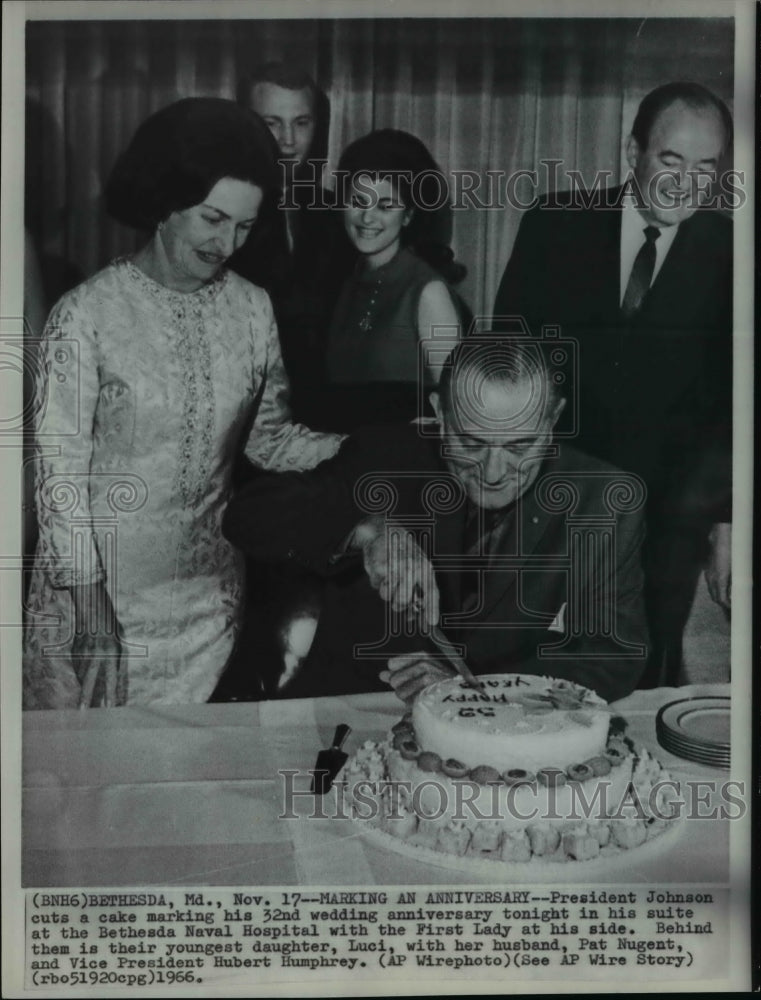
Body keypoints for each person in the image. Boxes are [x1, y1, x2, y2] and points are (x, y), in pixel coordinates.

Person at [23, 98, 343, 710]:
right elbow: (58, 485)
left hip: (208, 612)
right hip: (94, 611)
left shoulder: (252, 308)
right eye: (212, 218)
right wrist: (93, 618)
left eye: (246, 226)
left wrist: (363, 447)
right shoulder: (85, 316)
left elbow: (269, 439)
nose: (227, 243)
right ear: (166, 204)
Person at [223, 339, 648, 704]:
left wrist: (476, 688)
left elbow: (613, 656)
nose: (494, 471)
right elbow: (248, 515)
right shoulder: (387, 456)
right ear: (440, 415)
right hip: (357, 719)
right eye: (470, 442)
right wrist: (367, 531)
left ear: (553, 421)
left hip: (504, 730)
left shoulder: (603, 500)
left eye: (520, 445)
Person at [493, 82, 733, 685]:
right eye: (670, 161)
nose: (685, 185)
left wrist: (727, 525)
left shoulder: (731, 253)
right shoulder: (555, 223)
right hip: (551, 504)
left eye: (706, 169)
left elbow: (734, 404)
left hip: (665, 525)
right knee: (525, 680)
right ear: (633, 153)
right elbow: (508, 362)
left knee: (639, 680)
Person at [310, 128, 469, 432]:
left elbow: (457, 412)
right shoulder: (341, 282)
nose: (367, 218)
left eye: (385, 206)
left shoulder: (429, 291)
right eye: (358, 201)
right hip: (340, 457)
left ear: (408, 215)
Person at [230, 62, 353, 422]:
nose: (287, 140)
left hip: (325, 418)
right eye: (271, 123)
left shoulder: (340, 213)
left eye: (301, 123)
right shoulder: (219, 214)